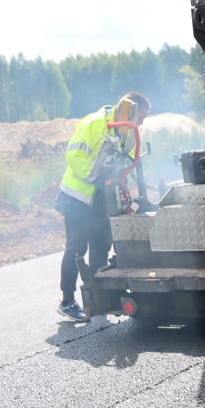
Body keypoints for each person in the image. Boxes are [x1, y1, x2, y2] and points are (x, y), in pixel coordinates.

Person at [55, 92, 151, 322]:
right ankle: (67, 301)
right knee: (76, 248)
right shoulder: (94, 123)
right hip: (78, 196)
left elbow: (126, 159)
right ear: (128, 110)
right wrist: (96, 177)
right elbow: (74, 155)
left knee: (101, 245)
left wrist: (120, 184)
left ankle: (98, 296)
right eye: (141, 117)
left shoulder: (127, 131)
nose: (141, 123)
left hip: (101, 197)